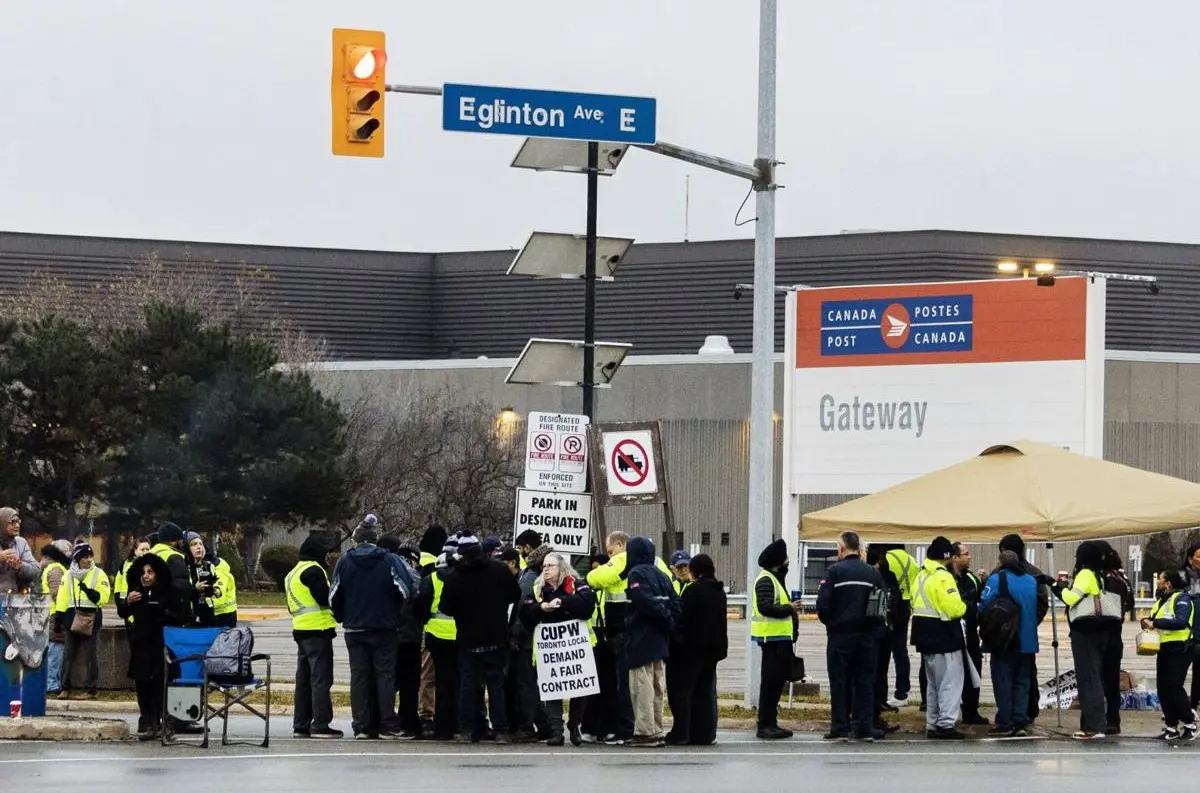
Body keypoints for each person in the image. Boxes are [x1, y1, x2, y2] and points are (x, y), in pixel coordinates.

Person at [330, 514, 415, 740]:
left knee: (359, 677)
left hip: (354, 629)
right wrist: (396, 611)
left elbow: (334, 596)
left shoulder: (344, 561)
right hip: (384, 627)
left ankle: (362, 726)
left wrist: (342, 616)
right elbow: (406, 589)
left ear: (357, 540)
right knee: (385, 676)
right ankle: (388, 724)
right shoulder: (389, 560)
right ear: (375, 540)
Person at [586, 531, 673, 745]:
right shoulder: (659, 566)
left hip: (627, 630)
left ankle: (633, 729)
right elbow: (671, 592)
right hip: (658, 631)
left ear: (620, 544)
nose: (610, 556)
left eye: (611, 551)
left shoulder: (626, 564)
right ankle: (654, 728)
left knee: (632, 683)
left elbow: (594, 578)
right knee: (655, 684)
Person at [441, 532, 522, 744]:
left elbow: (446, 608)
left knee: (468, 686)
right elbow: (515, 595)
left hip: (468, 639)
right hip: (496, 637)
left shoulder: (455, 577)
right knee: (496, 686)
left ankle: (468, 729)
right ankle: (501, 731)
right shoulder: (499, 570)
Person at [519, 551, 598, 746]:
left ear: (561, 568)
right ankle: (556, 731)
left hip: (576, 651)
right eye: (544, 566)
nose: (545, 569)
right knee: (552, 691)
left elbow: (588, 606)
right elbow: (525, 612)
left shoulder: (576, 585)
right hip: (550, 652)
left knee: (580, 690)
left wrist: (562, 602)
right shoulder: (538, 589)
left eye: (550, 566)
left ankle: (574, 725)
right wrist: (541, 608)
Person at [817, 531, 886, 742]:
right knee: (865, 681)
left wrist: (831, 622)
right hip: (866, 636)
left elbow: (823, 606)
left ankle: (840, 726)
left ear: (841, 548)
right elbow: (882, 603)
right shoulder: (872, 573)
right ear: (860, 549)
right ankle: (863, 726)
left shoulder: (834, 572)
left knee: (839, 681)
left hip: (840, 635)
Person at [1051, 540, 1122, 741]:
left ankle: (1093, 727)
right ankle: (1098, 723)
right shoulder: (1102, 574)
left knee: (1088, 679)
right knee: (1097, 679)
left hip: (1086, 633)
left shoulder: (1085, 574)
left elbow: (1071, 599)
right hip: (1103, 632)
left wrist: (1058, 587)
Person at [118, 551, 184, 740]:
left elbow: (179, 615)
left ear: (158, 574)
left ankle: (167, 722)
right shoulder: (136, 593)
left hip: (161, 646)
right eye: (143, 572)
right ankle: (149, 723)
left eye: (150, 572)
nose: (146, 576)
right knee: (143, 687)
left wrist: (163, 609)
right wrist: (128, 602)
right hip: (141, 646)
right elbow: (123, 612)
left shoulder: (167, 592)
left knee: (161, 686)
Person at [285, 534, 342, 739]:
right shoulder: (313, 571)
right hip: (318, 631)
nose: (328, 557)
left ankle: (301, 724)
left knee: (304, 680)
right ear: (317, 553)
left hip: (301, 630)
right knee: (321, 679)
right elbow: (325, 598)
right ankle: (320, 724)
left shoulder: (293, 572)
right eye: (326, 553)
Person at [665, 553, 725, 746]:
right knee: (704, 694)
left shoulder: (693, 591)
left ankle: (681, 733)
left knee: (682, 692)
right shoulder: (718, 591)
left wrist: (672, 635)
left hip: (690, 651)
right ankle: (704, 734)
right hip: (713, 650)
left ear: (695, 571)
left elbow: (683, 621)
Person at [624, 536, 679, 748]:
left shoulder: (636, 573)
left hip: (641, 636)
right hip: (659, 637)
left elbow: (643, 600)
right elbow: (676, 601)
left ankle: (644, 731)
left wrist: (663, 615)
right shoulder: (662, 574)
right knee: (657, 684)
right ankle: (656, 729)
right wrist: (670, 620)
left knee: (641, 685)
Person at [979, 549, 1039, 737]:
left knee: (1003, 681)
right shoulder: (1031, 580)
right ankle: (1020, 721)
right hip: (1028, 641)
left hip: (1005, 639)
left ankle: (1005, 722)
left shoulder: (997, 579)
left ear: (1001, 562)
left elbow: (983, 606)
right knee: (1022, 682)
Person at [911, 536, 967, 740]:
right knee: (950, 682)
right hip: (944, 635)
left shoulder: (921, 575)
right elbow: (953, 608)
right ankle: (946, 724)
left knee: (933, 684)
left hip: (923, 635)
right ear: (947, 557)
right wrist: (965, 606)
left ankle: (933, 723)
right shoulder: (943, 577)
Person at [997, 534, 1050, 727]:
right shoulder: (1034, 574)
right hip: (1027, 637)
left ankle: (1007, 717)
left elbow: (987, 606)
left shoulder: (998, 575)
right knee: (1026, 678)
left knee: (1005, 677)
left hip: (1003, 637)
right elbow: (1042, 605)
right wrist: (1029, 623)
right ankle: (1026, 714)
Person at [752, 538, 802, 741]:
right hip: (772, 640)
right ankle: (766, 724)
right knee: (770, 684)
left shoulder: (774, 579)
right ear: (778, 562)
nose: (788, 563)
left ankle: (770, 722)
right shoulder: (766, 580)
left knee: (775, 683)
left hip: (780, 640)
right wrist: (789, 608)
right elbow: (765, 607)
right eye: (786, 559)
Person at [377, 534, 424, 739]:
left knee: (386, 680)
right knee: (409, 684)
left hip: (389, 634)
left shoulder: (388, 573)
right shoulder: (413, 576)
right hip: (409, 637)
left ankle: (381, 719)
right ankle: (407, 722)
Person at [1142, 570, 1196, 740]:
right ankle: (1171, 726)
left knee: (1174, 687)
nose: (1158, 582)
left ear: (1169, 583)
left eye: (1160, 580)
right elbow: (1153, 618)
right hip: (1164, 647)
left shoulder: (1182, 598)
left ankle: (1190, 723)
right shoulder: (1161, 601)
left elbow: (1181, 621)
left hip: (1181, 647)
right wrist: (1146, 621)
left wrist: (1155, 622)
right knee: (1163, 688)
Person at [53, 543, 111, 700]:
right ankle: (64, 688)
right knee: (68, 655)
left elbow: (103, 597)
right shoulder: (68, 575)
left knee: (90, 655)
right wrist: (58, 617)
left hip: (92, 618)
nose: (89, 560)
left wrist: (89, 591)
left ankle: (91, 689)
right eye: (85, 557)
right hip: (72, 617)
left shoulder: (99, 574)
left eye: (91, 556)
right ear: (77, 558)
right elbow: (62, 598)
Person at [510, 539, 553, 741]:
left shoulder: (530, 577)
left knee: (526, 683)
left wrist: (516, 635)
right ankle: (545, 725)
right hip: (539, 635)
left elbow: (522, 608)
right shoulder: (540, 577)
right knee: (532, 683)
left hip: (528, 636)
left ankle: (528, 727)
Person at [875, 544, 918, 708]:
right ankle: (902, 691)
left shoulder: (887, 559)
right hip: (906, 606)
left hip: (890, 607)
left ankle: (881, 695)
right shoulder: (912, 561)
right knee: (901, 651)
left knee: (883, 652)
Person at [951, 543, 988, 725]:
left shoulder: (971, 579)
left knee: (974, 673)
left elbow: (980, 601)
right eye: (965, 554)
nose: (969, 557)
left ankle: (971, 711)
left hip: (971, 635)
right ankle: (946, 713)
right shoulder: (947, 578)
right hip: (951, 635)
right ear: (955, 557)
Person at [416, 524, 448, 735]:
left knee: (427, 674)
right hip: (436, 630)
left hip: (428, 627)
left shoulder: (420, 560)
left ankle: (426, 712)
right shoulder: (432, 565)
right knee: (431, 675)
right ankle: (428, 713)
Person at [1100, 544, 1133, 735]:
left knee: (1104, 680)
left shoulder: (1109, 579)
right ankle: (1113, 718)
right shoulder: (1123, 578)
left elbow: (1109, 612)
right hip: (1116, 635)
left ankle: (1109, 719)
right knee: (1111, 681)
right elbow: (1130, 604)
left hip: (1107, 635)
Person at [39, 540, 73, 697]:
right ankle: (52, 683)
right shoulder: (56, 570)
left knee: (53, 649)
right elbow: (57, 593)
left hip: (50, 613)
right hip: (56, 615)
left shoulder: (50, 569)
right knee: (56, 649)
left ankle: (51, 681)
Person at [150, 523, 195, 625]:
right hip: (169, 616)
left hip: (149, 613)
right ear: (174, 541)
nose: (182, 543)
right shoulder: (174, 557)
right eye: (180, 540)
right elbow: (181, 588)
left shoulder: (148, 555)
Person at [0, 508, 38, 593]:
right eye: (13, 522)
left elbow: (36, 572)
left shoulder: (21, 542)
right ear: (2, 523)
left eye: (18, 522)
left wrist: (20, 566)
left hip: (17, 600)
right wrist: (1, 557)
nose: (17, 525)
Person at [186, 532, 219, 626]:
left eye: (201, 544)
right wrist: (195, 589)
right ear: (187, 549)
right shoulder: (185, 568)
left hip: (209, 613)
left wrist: (216, 591)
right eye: (194, 544)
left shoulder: (209, 566)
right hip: (191, 616)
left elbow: (217, 588)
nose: (199, 547)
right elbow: (182, 594)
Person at [1185, 544, 1200, 714]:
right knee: (1177, 674)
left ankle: (1192, 706)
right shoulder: (1181, 578)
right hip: (1183, 632)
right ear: (1190, 559)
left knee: (1199, 675)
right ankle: (1177, 707)